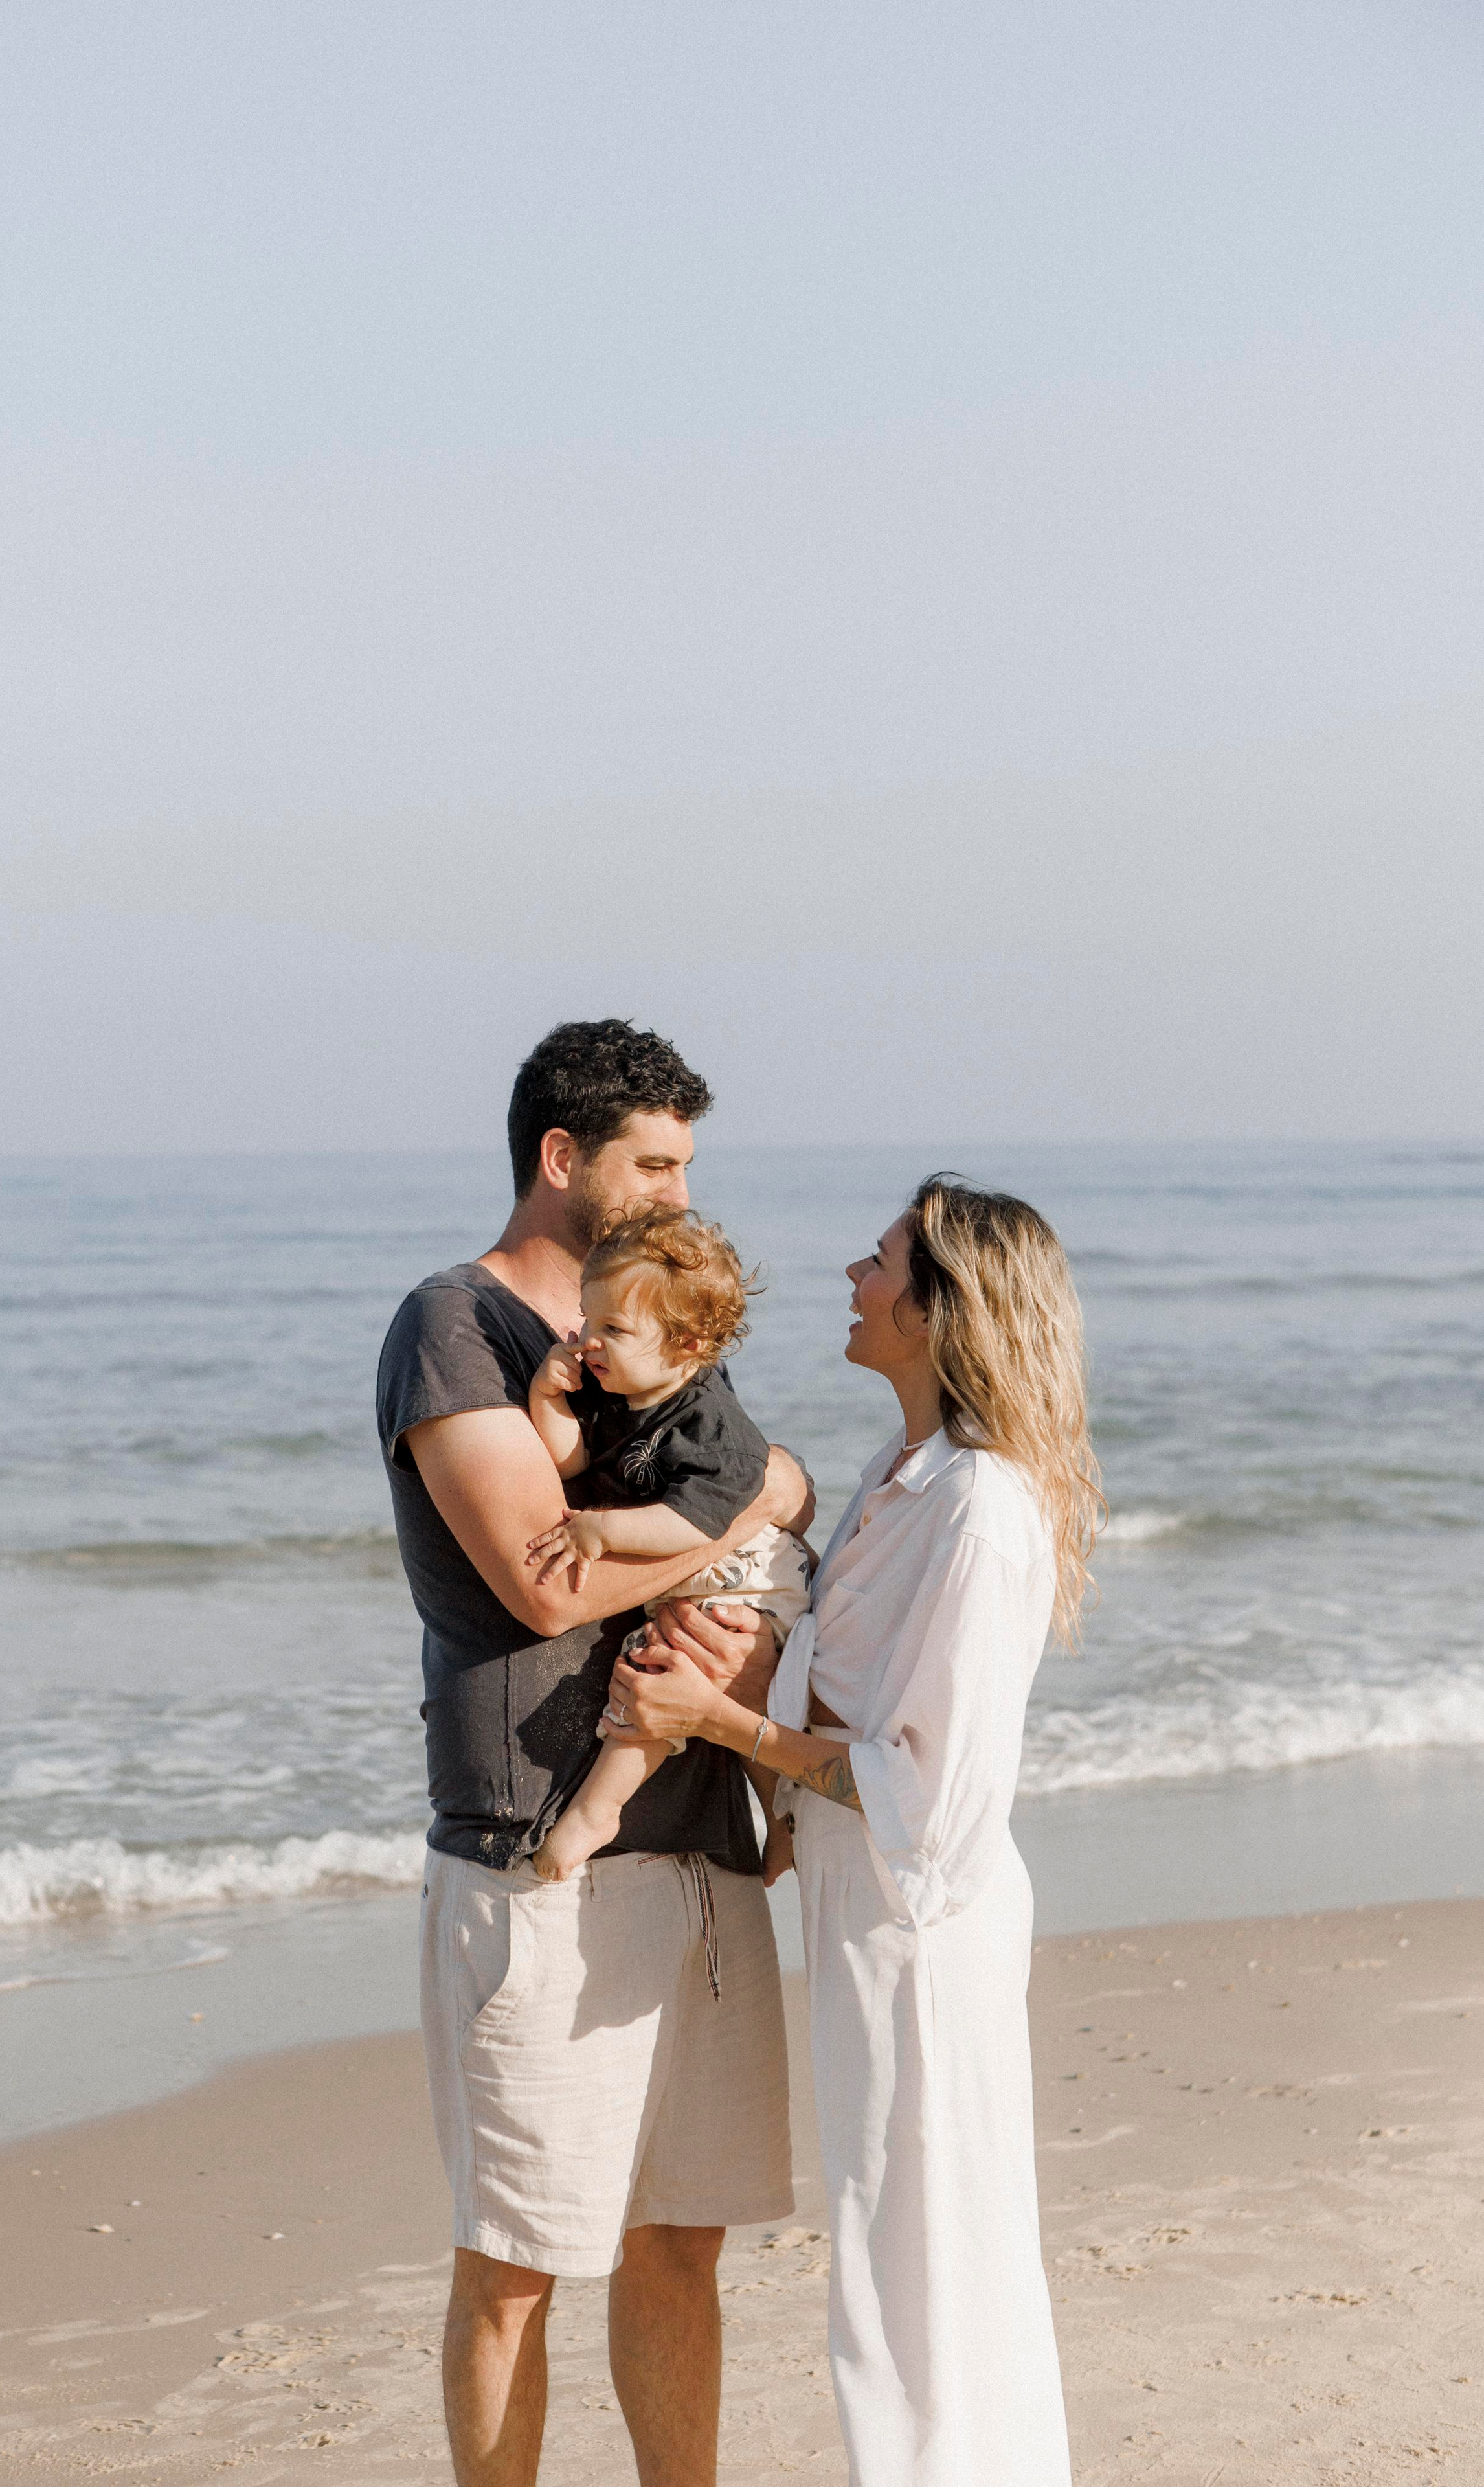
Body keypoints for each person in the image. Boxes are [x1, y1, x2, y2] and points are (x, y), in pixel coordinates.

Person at [603, 1175, 1103, 2486]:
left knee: (918, 2271)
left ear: (942, 1310)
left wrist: (715, 1723)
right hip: (856, 1904)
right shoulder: (899, 1477)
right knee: (905, 2253)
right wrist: (772, 1796)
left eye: (879, 1262)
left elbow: (926, 1796)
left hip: (917, 1932)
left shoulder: (980, 1513)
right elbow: (850, 1690)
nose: (849, 1273)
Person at [374, 1018, 812, 2487]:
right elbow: (542, 1580)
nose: (680, 1195)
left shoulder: (662, 1337)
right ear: (560, 1158)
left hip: (691, 1850)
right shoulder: (455, 1330)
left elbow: (767, 1481)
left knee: (676, 2245)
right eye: (653, 1163)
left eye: (688, 1164)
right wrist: (741, 1517)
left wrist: (751, 1510)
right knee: (515, 2263)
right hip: (532, 1857)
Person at [523, 1201, 811, 1884]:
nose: (589, 1341)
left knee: (664, 1671)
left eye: (613, 1328)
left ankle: (600, 1809)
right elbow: (566, 1463)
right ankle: (786, 1826)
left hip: (751, 1578)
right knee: (713, 1689)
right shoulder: (618, 1386)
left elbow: (696, 1526)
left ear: (685, 1346)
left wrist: (605, 1529)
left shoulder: (710, 1419)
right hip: (707, 1577)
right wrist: (547, 1398)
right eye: (587, 1321)